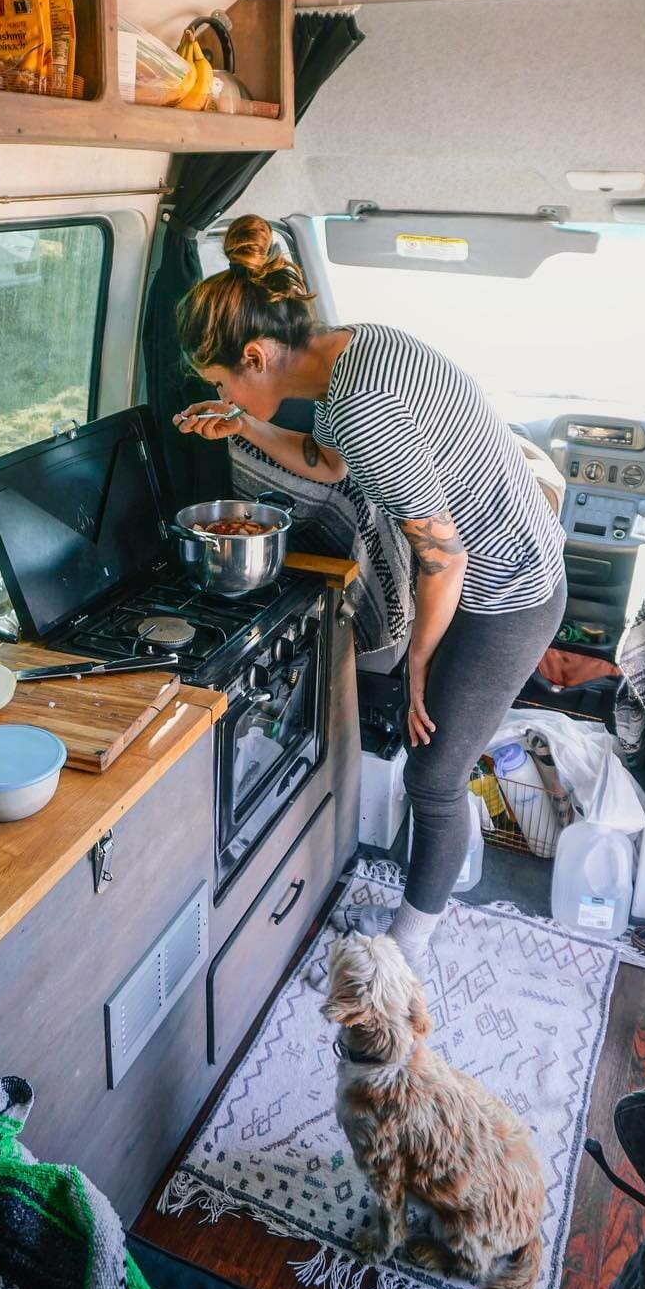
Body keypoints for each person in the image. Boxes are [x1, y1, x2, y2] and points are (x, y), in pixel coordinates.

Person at [174, 215, 566, 974]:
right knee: (439, 754)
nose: (220, 390)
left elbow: (444, 556)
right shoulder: (352, 351)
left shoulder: (361, 403)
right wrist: (243, 424)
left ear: (255, 355)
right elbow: (327, 464)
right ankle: (435, 884)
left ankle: (404, 953)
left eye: (221, 381)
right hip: (483, 570)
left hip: (508, 591)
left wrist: (421, 656)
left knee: (435, 773)